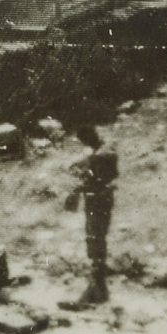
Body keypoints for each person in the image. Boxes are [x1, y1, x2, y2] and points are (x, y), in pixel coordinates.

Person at [60, 125, 119, 308]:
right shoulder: (103, 153)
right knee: (95, 240)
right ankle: (99, 288)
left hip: (98, 202)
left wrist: (80, 188)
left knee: (95, 240)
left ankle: (97, 289)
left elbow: (100, 180)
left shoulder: (102, 155)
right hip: (99, 201)